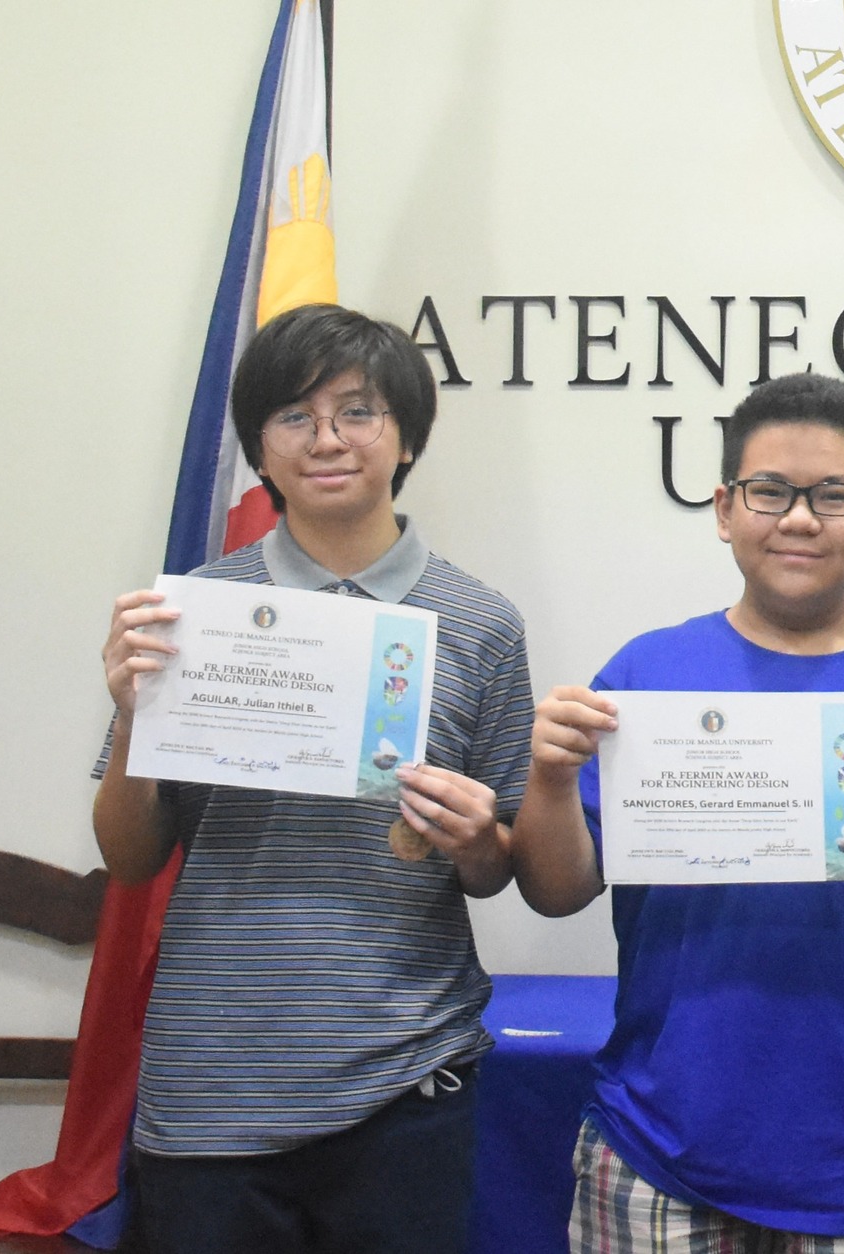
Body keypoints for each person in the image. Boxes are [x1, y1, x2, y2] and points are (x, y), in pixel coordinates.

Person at [507, 371, 844, 1250]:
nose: (799, 519)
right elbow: (558, 891)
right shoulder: (646, 673)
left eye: (833, 495)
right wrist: (552, 778)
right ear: (726, 509)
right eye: (769, 492)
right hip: (656, 1147)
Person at [92, 303, 548, 1254]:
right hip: (212, 1082)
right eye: (294, 416)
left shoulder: (481, 622)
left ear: (407, 437)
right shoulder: (194, 614)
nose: (327, 439)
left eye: (358, 412)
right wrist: (134, 715)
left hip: (405, 1078)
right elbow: (130, 858)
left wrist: (478, 841)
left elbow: (502, 866)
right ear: (259, 448)